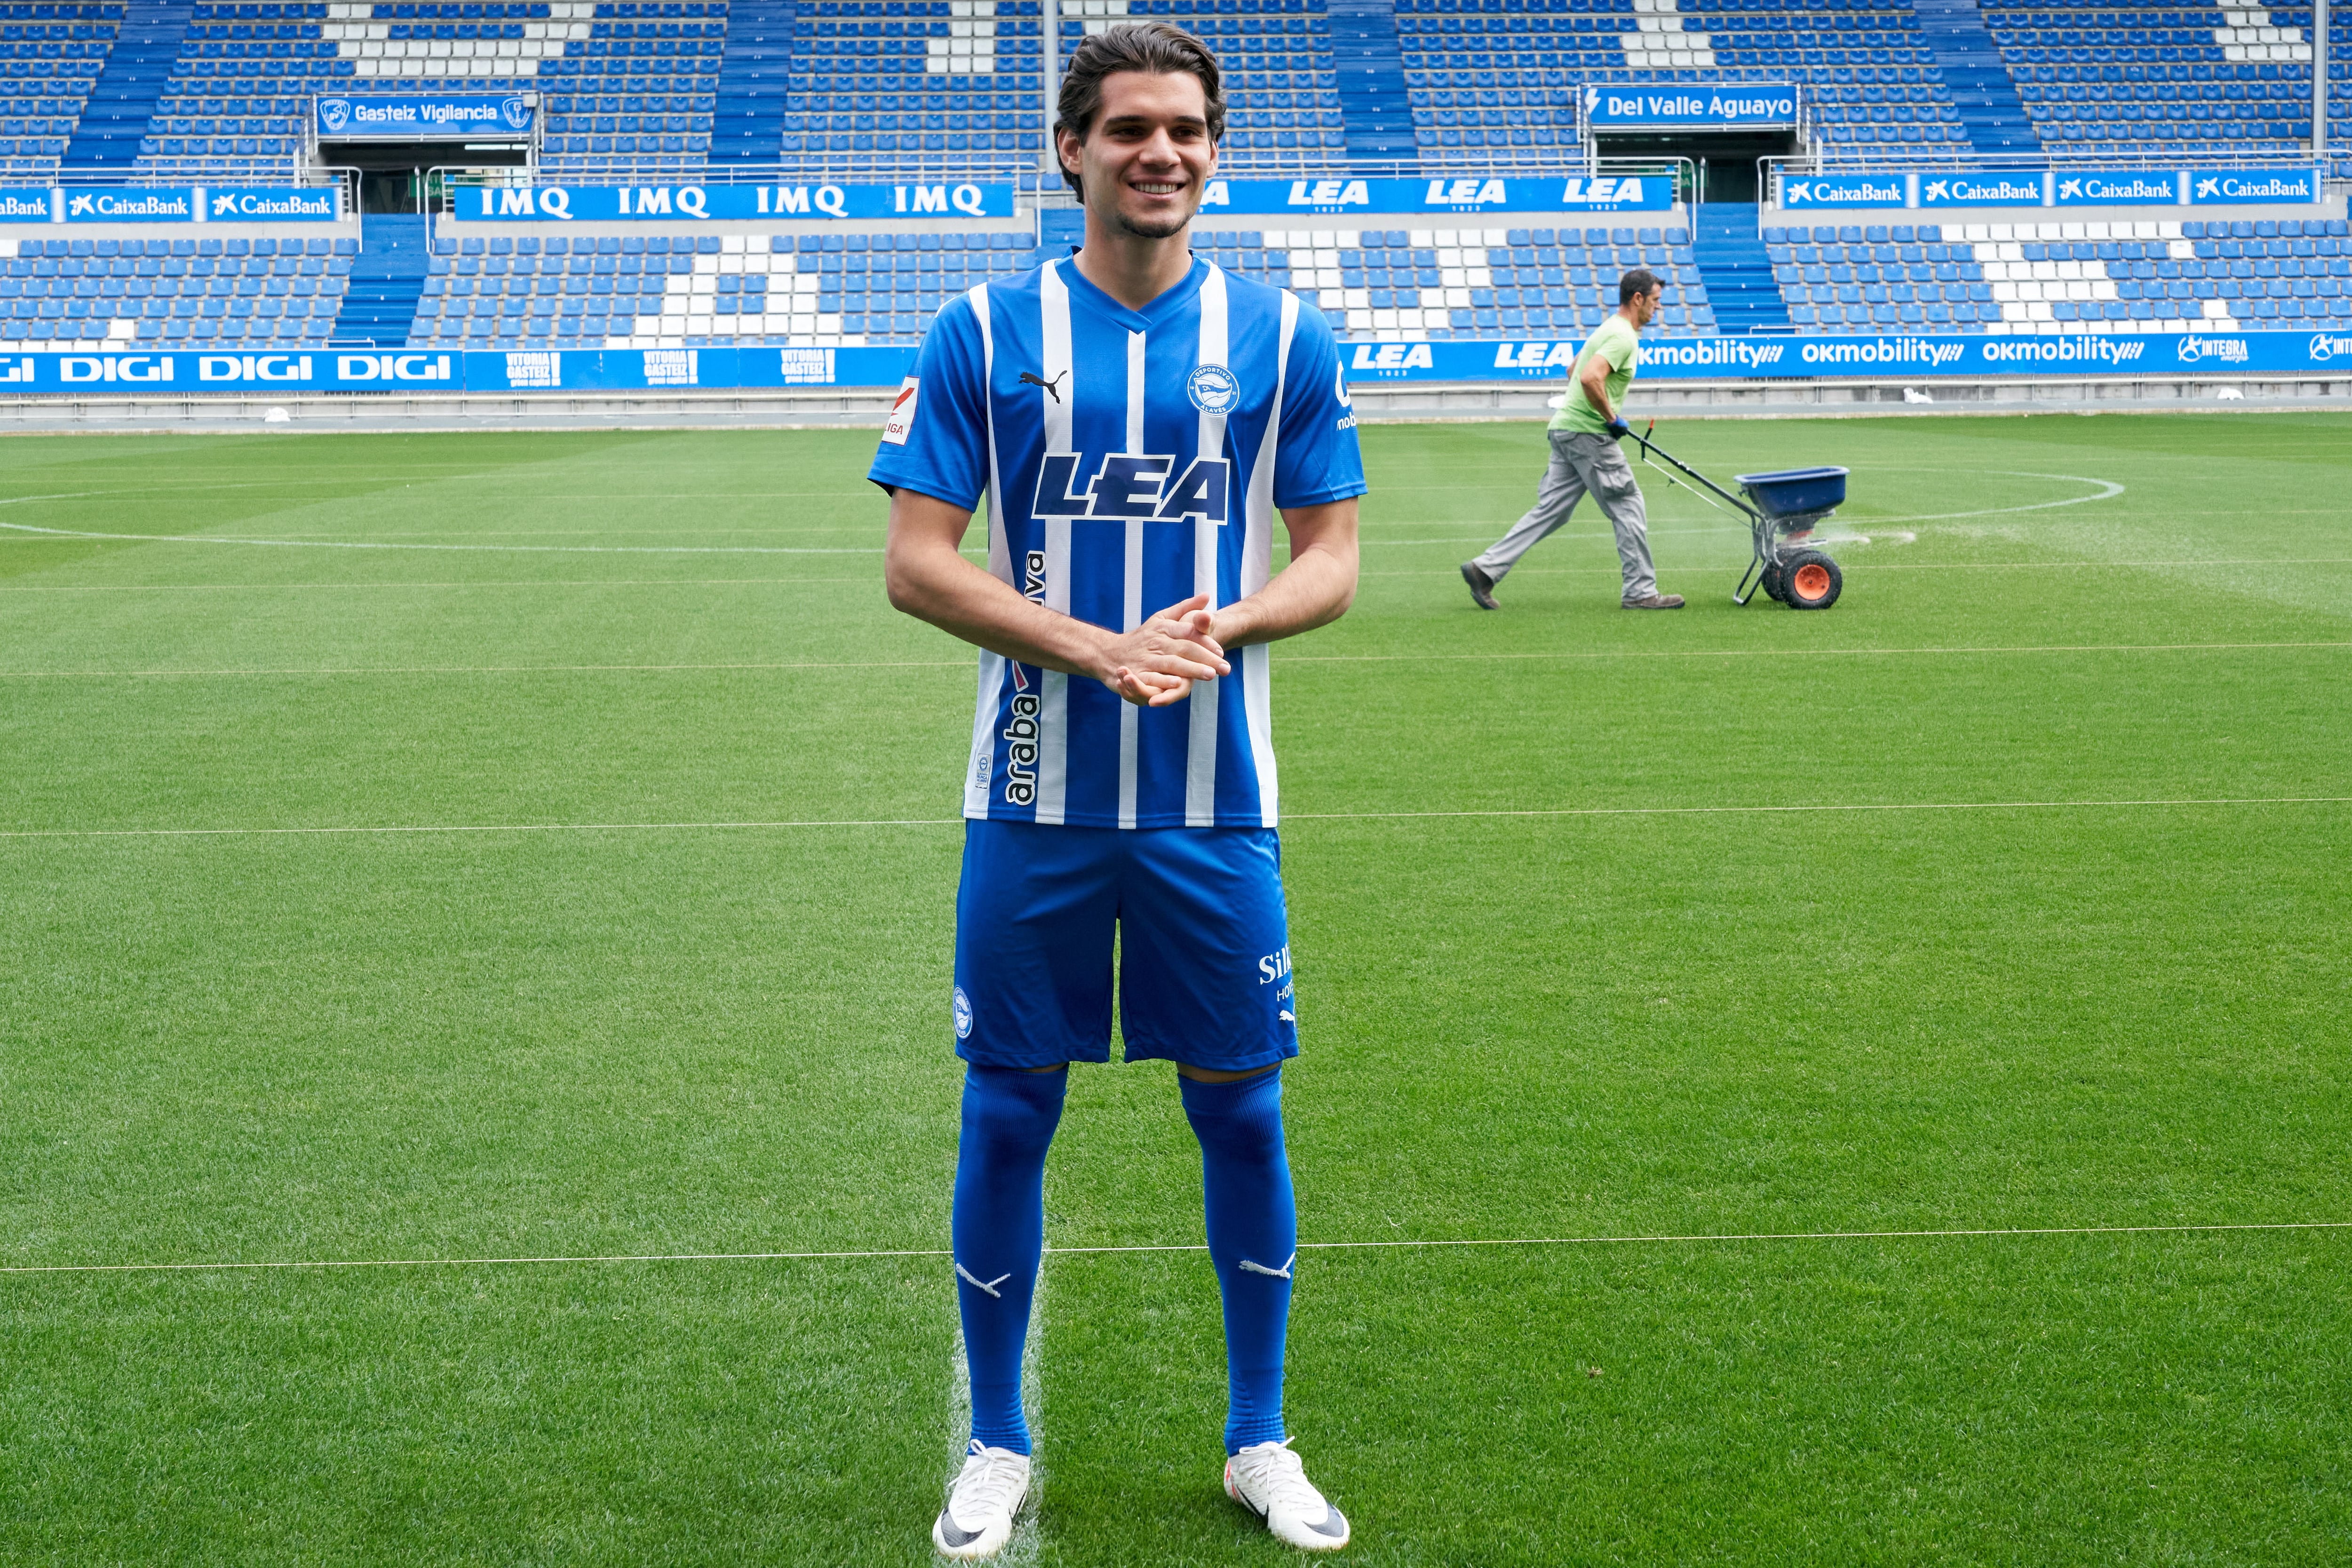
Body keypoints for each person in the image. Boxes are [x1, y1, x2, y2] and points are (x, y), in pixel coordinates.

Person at [870, 21, 1365, 1560]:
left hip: (1217, 805)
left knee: (1244, 1110)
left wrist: (1220, 624)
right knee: (1010, 1109)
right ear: (1072, 150)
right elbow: (916, 563)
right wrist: (1095, 645)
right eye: (1132, 128)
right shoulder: (980, 331)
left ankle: (1259, 1436)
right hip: (1032, 796)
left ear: (1216, 151)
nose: (1163, 152)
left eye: (1189, 129)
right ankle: (999, 1439)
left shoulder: (1284, 338)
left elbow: (1333, 557)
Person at [1459, 268, 1685, 611]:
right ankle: (1640, 591)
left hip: (1565, 427)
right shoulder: (1624, 337)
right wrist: (1611, 418)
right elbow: (1589, 377)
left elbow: (1572, 369)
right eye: (1655, 302)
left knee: (1553, 510)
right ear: (1637, 299)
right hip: (1588, 434)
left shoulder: (1607, 328)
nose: (1657, 309)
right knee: (1628, 505)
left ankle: (1484, 569)